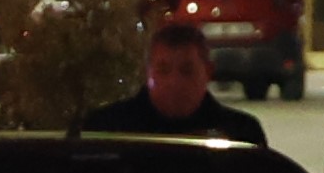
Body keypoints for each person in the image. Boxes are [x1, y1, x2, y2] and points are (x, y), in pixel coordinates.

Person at [76, 14, 277, 149]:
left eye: (186, 71)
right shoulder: (108, 130)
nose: (174, 82)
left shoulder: (240, 136)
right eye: (163, 70)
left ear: (208, 72)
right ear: (147, 73)